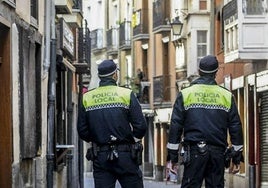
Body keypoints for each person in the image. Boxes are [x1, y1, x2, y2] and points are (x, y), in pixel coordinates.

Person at [166, 55, 244, 188]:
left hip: (194, 152)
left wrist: (172, 158)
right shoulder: (226, 96)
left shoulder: (185, 94)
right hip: (218, 154)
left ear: (198, 71)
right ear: (216, 72)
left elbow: (175, 126)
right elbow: (235, 127)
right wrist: (236, 158)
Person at [77, 59, 147, 188]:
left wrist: (97, 139)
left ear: (99, 76)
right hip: (126, 155)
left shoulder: (87, 97)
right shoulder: (126, 94)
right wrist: (131, 139)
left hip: (101, 155)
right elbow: (141, 126)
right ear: (115, 75)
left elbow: (82, 130)